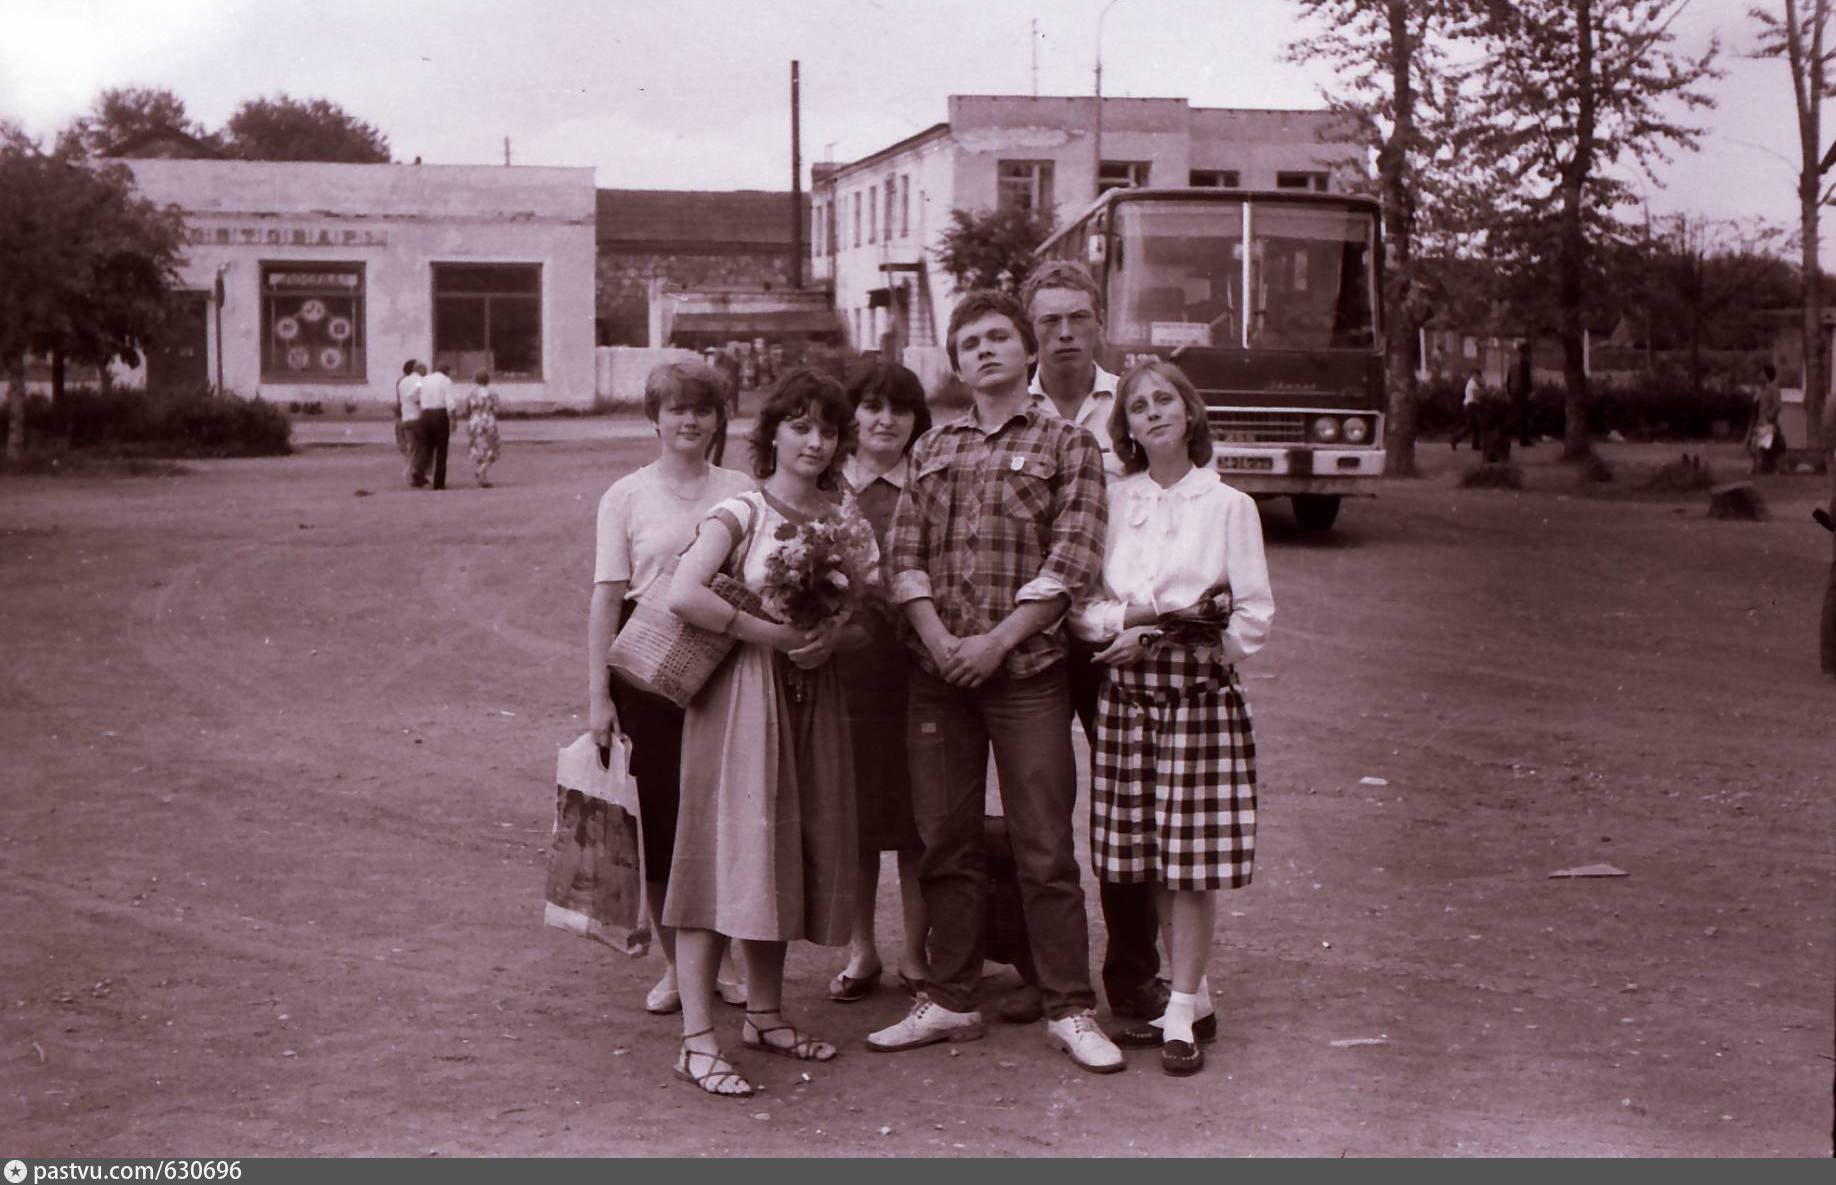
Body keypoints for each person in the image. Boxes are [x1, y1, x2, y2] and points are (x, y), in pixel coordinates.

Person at [870, 289, 1125, 1074]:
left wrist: (997, 641)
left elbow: (1073, 560)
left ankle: (1069, 1007)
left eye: (999, 338)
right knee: (944, 839)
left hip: (1028, 677)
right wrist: (944, 640)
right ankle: (949, 998)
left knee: (1044, 846)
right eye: (970, 342)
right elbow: (901, 557)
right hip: (938, 675)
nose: (985, 351)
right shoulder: (933, 446)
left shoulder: (1068, 445)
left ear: (1028, 351)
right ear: (956, 361)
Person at [662, 369, 866, 1098]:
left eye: (829, 429)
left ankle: (766, 1014)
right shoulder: (741, 510)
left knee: (781, 851)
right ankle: (695, 1039)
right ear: (772, 431)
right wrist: (771, 634)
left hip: (813, 701)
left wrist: (831, 635)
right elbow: (684, 592)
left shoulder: (844, 519)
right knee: (721, 856)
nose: (816, 441)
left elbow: (859, 611)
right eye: (801, 425)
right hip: (743, 697)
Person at [1071, 359, 1273, 1077]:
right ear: (1124, 426)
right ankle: (1197, 993)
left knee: (1191, 863)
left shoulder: (1228, 506)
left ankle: (1181, 1009)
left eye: (1165, 401)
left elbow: (1251, 618)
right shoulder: (1114, 500)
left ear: (1190, 413)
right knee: (1151, 853)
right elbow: (1085, 606)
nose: (1152, 413)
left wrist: (1159, 632)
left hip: (1196, 697)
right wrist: (1128, 621)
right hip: (1126, 697)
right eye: (1137, 406)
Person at [1021, 258, 1168, 1026]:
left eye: (1079, 317)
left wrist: (1147, 620)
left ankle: (1135, 976)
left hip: (1118, 642)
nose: (1066, 333)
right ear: (1030, 330)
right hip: (1033, 639)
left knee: (1126, 811)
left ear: (1101, 321)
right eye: (1049, 320)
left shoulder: (1133, 407)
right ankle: (1039, 969)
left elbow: (1176, 507)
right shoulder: (1014, 410)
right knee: (1037, 811)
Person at [588, 360, 754, 1023]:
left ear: (719, 419)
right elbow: (605, 599)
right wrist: (598, 697)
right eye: (677, 409)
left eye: (704, 410)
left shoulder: (741, 487)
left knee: (725, 820)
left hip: (727, 667)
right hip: (646, 666)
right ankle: (673, 966)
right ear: (653, 417)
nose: (690, 421)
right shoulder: (625, 495)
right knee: (659, 826)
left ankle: (726, 965)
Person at [829, 360, 933, 1004]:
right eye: (871, 406)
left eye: (899, 408)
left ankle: (915, 954)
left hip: (917, 674)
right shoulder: (824, 487)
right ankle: (860, 948)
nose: (885, 420)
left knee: (918, 821)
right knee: (856, 821)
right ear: (852, 415)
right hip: (845, 678)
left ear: (917, 420)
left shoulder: (928, 484)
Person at [417, 363, 457, 490]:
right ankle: (439, 482)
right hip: (439, 414)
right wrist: (453, 419)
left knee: (426, 446)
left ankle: (419, 474)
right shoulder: (446, 381)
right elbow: (450, 401)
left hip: (425, 414)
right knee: (441, 449)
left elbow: (413, 393)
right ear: (447, 371)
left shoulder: (424, 379)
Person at [464, 370, 501, 488]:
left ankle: (483, 478)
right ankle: (481, 471)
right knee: (492, 448)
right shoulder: (492, 393)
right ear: (488, 380)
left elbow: (467, 409)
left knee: (479, 448)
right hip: (488, 421)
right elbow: (497, 409)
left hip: (474, 421)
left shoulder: (471, 393)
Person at [1750, 363, 1785, 475]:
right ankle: (1760, 468)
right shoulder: (1762, 389)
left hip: (1768, 423)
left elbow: (1778, 405)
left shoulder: (1773, 388)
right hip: (1759, 422)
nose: (1760, 375)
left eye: (1762, 373)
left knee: (1762, 448)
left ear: (1767, 374)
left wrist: (1770, 415)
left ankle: (1763, 469)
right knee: (1756, 447)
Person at [399, 360, 426, 488]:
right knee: (423, 447)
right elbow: (416, 397)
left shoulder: (403, 381)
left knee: (413, 447)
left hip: (406, 417)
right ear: (419, 369)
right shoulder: (420, 381)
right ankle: (415, 473)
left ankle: (412, 472)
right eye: (425, 368)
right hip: (418, 417)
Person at [393, 359, 418, 477]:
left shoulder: (401, 380)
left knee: (408, 443)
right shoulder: (408, 381)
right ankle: (410, 469)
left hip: (403, 414)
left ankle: (410, 468)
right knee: (411, 444)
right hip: (407, 414)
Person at [1451, 368, 1485, 452]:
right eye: (1478, 376)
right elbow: (1477, 394)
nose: (1479, 378)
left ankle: (1475, 445)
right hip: (1471, 406)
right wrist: (1483, 389)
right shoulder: (1472, 383)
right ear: (1475, 375)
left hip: (1471, 405)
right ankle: (1455, 439)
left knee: (1476, 426)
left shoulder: (1472, 383)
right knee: (1470, 426)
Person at [1508, 340, 1535, 447]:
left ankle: (1505, 435)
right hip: (1521, 391)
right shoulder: (1524, 362)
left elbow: (1508, 378)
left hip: (1513, 390)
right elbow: (1526, 378)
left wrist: (1508, 391)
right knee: (1523, 416)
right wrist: (1530, 391)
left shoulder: (1513, 362)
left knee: (1515, 415)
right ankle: (1524, 440)